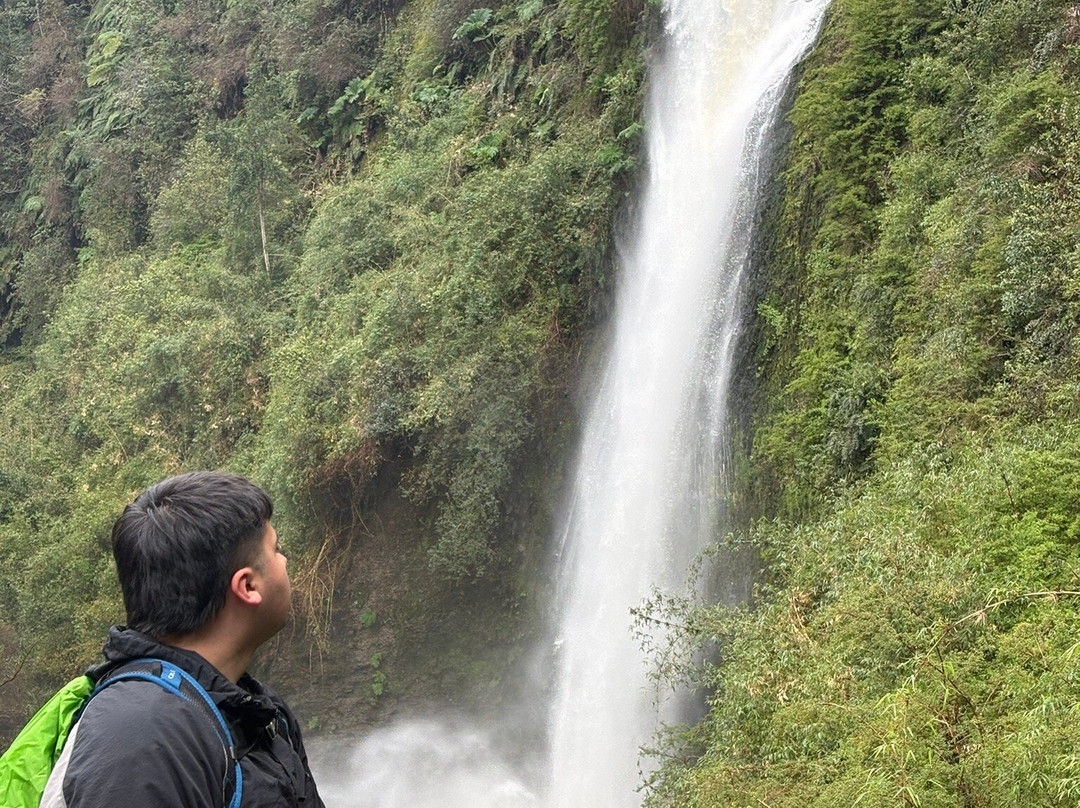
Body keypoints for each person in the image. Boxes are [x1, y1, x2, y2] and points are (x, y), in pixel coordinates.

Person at [41, 471, 325, 807]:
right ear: (248, 586)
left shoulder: (259, 712)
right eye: (276, 549)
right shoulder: (139, 737)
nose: (285, 560)